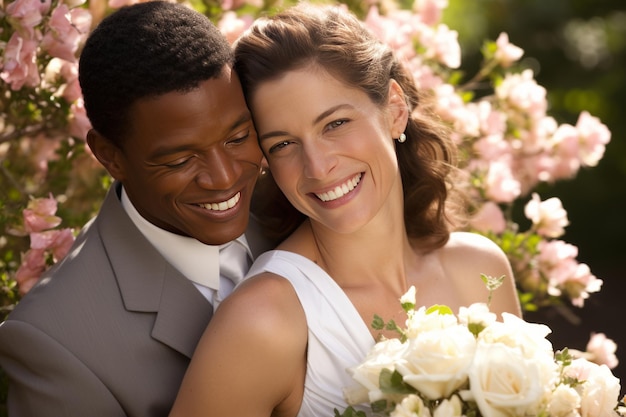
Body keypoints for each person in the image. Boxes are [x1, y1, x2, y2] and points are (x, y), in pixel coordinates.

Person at [169, 4, 522, 417]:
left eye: (334, 124)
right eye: (283, 144)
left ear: (394, 108)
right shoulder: (265, 320)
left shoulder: (478, 271)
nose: (318, 168)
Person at [0, 2, 270, 416]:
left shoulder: (293, 202)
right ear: (110, 156)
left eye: (237, 137)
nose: (223, 177)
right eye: (180, 160)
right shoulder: (54, 342)